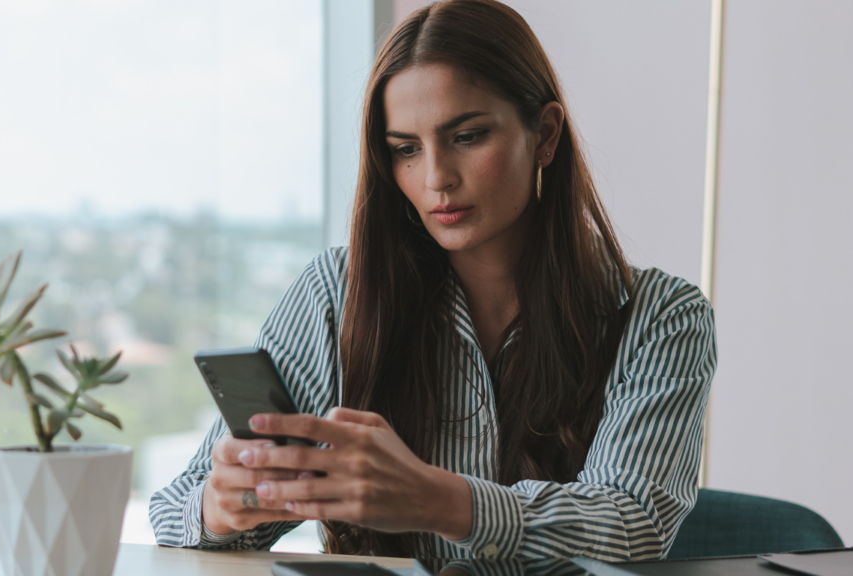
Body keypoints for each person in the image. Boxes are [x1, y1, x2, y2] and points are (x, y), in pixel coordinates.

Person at [149, 0, 715, 561]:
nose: (436, 177)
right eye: (405, 150)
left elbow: (632, 521)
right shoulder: (337, 294)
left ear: (544, 135)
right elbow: (174, 511)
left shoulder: (661, 316)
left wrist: (435, 499)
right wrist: (223, 509)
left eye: (467, 136)